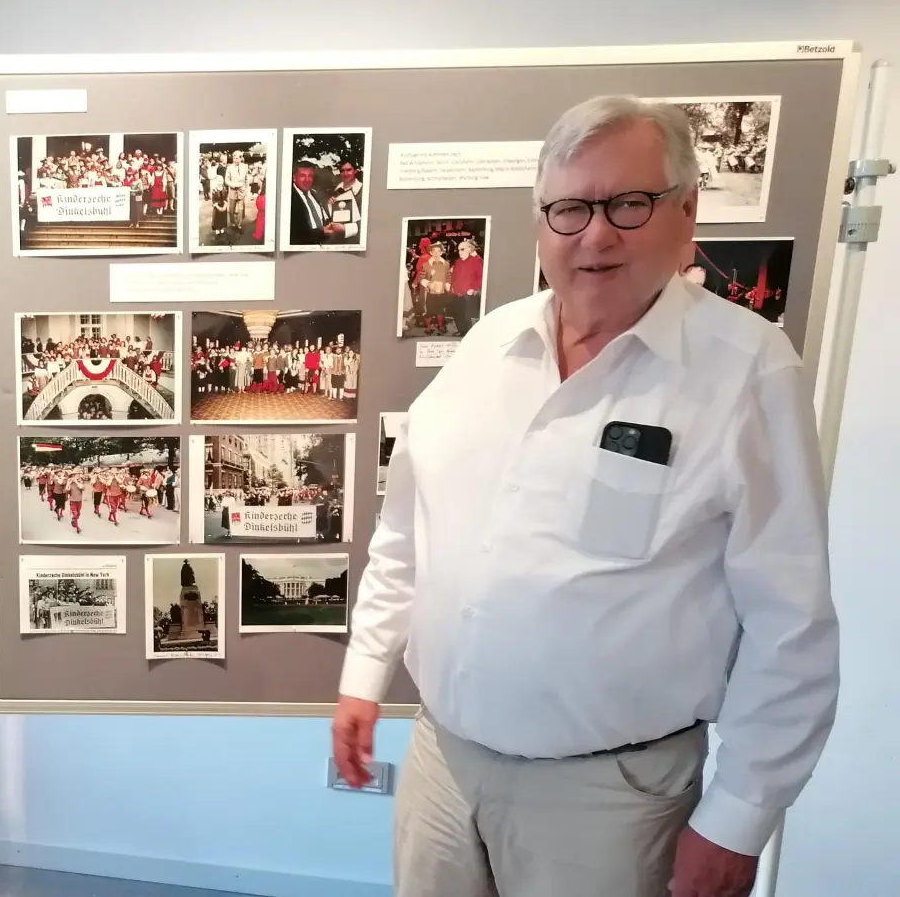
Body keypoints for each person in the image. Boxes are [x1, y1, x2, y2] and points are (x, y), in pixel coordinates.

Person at [332, 95, 838, 897]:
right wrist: (365, 674)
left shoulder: (745, 369)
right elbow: (407, 532)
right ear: (541, 224)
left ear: (686, 213)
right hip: (443, 762)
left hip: (610, 800)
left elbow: (792, 622)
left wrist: (741, 814)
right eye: (569, 208)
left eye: (629, 204)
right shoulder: (486, 345)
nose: (595, 235)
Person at [288, 162, 327, 246]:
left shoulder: (315, 195)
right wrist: (321, 232)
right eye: (302, 176)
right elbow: (295, 234)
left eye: (310, 176)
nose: (307, 180)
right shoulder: (289, 199)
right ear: (294, 178)